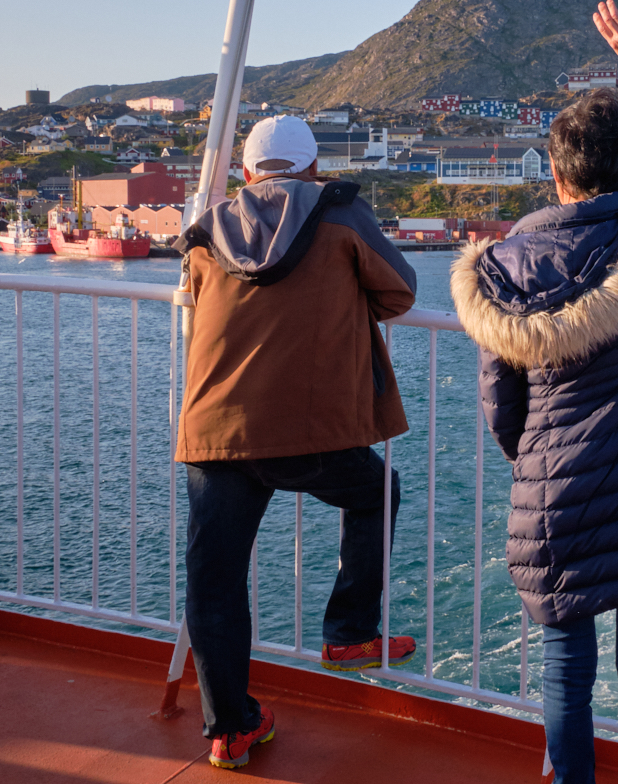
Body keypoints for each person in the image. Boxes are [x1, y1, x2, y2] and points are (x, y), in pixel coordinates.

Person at [451, 1, 618, 783]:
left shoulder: (501, 270)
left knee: (565, 671)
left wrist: (534, 459)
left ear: (555, 173)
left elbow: (502, 402)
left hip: (553, 497)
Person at [174, 114, 419, 770]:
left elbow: (198, 296)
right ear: (312, 168)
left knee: (214, 580)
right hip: (310, 428)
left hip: (216, 430)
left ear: (248, 173)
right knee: (376, 490)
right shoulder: (341, 213)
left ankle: (231, 727)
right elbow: (400, 290)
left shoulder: (206, 231)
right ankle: (347, 632)